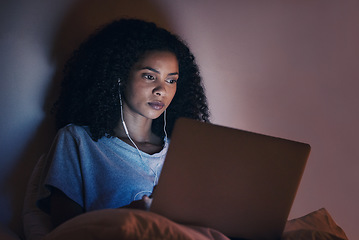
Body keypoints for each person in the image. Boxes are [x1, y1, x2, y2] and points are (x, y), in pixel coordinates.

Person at [36, 18, 210, 228]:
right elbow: (64, 231)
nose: (161, 90)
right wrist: (134, 212)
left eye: (171, 80)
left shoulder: (182, 150)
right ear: (120, 76)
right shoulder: (78, 141)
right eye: (149, 76)